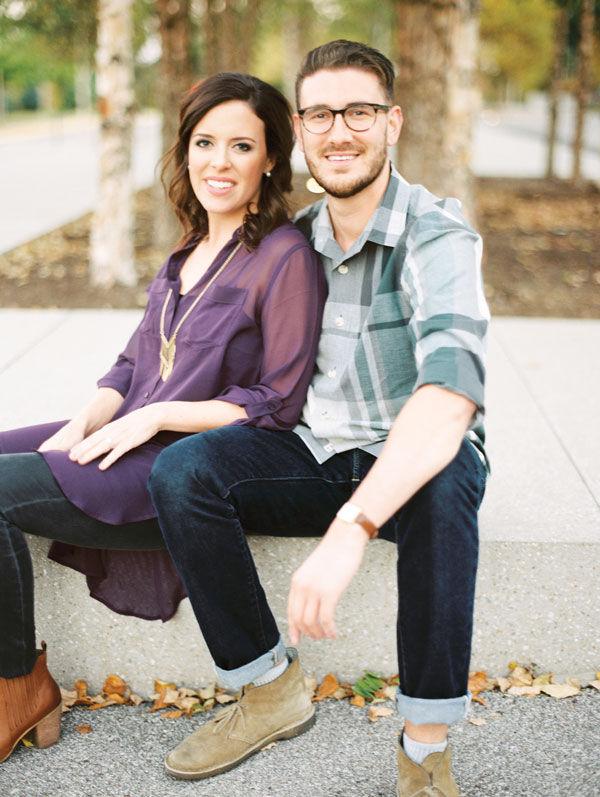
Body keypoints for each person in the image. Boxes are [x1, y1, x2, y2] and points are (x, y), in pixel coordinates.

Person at [148, 40, 490, 796]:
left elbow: (450, 396)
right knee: (183, 471)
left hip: (409, 462)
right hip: (311, 453)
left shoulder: (436, 235)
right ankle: (268, 685)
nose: (340, 131)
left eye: (360, 111)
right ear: (299, 131)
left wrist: (354, 527)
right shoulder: (291, 240)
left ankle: (425, 746)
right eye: (321, 115)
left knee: (449, 477)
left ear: (393, 122)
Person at [0, 72, 326, 765]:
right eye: (205, 142)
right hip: (126, 433)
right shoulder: (189, 249)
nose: (219, 161)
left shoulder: (284, 256)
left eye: (241, 145)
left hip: (175, 467)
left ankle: (18, 685)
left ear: (270, 158)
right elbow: (131, 363)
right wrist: (86, 416)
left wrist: (157, 420)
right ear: (185, 151)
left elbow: (278, 400)